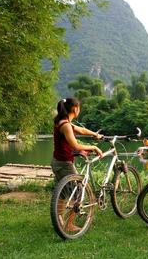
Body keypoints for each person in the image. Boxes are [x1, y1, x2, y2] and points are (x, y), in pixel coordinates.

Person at [51, 97, 103, 232]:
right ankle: (68, 224)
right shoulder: (66, 125)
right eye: (79, 107)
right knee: (79, 192)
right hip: (64, 163)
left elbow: (81, 130)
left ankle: (59, 220)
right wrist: (93, 147)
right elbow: (75, 144)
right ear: (75, 109)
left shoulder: (62, 122)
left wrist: (96, 135)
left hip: (57, 161)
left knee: (62, 193)